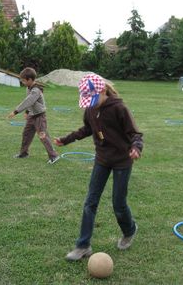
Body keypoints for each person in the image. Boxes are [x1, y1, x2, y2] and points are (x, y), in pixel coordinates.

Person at [54, 73, 143, 261]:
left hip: (121, 160)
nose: (91, 103)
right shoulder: (90, 109)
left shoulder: (119, 108)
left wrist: (136, 147)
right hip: (102, 159)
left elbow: (135, 133)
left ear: (102, 91)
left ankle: (130, 229)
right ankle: (83, 245)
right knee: (90, 201)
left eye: (93, 99)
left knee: (118, 203)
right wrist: (66, 140)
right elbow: (87, 129)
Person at [8, 67, 60, 164]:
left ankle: (54, 156)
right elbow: (30, 102)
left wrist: (15, 111)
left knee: (43, 136)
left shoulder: (36, 90)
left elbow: (28, 101)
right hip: (32, 116)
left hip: (40, 116)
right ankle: (24, 153)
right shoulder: (28, 88)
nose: (22, 82)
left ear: (30, 80)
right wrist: (27, 112)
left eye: (23, 80)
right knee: (26, 134)